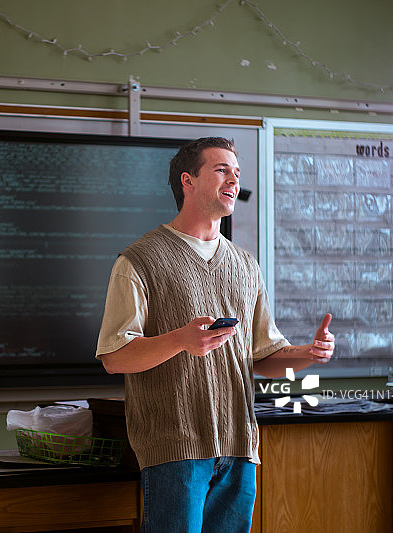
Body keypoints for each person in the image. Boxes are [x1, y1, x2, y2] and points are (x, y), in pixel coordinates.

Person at [95, 137, 335, 532]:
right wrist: (180, 340)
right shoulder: (138, 261)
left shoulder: (245, 265)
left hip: (240, 447)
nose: (233, 180)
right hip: (175, 449)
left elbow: (263, 356)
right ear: (187, 181)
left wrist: (310, 353)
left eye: (236, 173)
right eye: (221, 170)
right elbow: (115, 357)